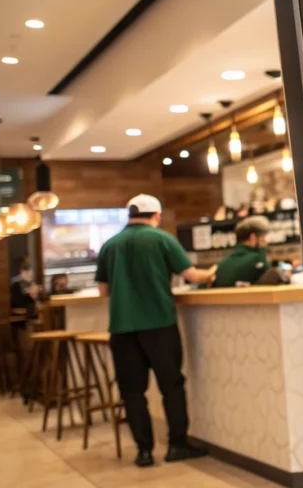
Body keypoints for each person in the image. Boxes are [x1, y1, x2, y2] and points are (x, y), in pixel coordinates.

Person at [95, 194, 216, 468]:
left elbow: (103, 291)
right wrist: (213, 273)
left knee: (132, 391)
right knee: (171, 386)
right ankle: (177, 445)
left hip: (122, 328)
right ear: (156, 216)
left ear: (129, 215)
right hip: (159, 324)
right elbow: (192, 276)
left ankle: (144, 452)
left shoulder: (110, 245)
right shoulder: (161, 239)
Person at [213, 216, 272, 288]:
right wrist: (263, 250)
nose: (265, 241)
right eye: (263, 237)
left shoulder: (222, 263)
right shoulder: (258, 258)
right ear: (253, 237)